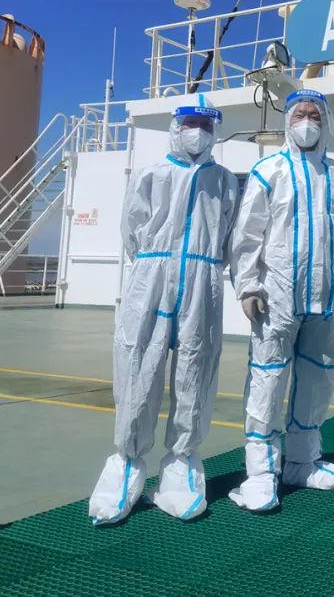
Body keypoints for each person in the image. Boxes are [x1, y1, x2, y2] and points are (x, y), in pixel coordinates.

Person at [89, 99, 238, 524]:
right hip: (151, 277)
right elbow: (132, 232)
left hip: (203, 280)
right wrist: (157, 265)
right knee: (138, 367)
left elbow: (229, 235)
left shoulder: (225, 181)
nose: (198, 131)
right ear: (176, 127)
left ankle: (181, 467)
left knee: (196, 370)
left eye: (205, 124)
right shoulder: (150, 174)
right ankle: (126, 466)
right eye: (190, 122)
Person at [230, 89, 334, 512]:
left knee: (317, 379)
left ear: (325, 123)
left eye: (315, 116)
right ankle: (260, 471)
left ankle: (303, 462)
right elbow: (247, 234)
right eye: (300, 115)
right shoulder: (268, 170)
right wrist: (248, 286)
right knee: (268, 380)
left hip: (324, 299)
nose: (307, 122)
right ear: (287, 122)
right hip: (276, 298)